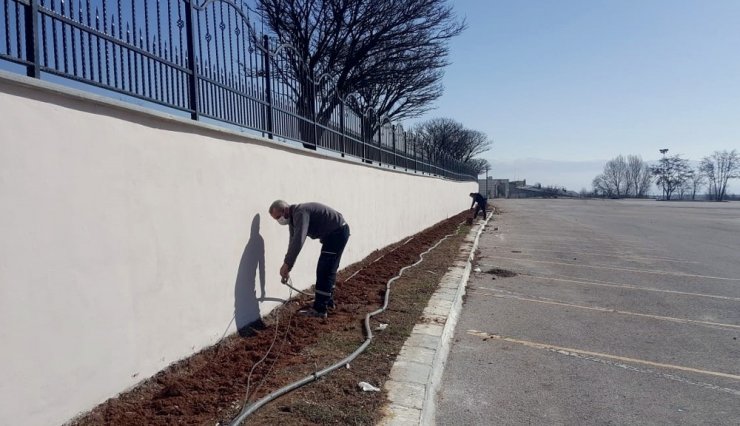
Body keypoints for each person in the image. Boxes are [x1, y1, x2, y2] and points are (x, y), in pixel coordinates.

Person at [269, 200, 350, 318]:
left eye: (278, 217)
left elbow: (299, 240)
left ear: (285, 210)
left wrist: (287, 264)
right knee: (327, 269)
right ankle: (327, 302)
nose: (279, 221)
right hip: (335, 234)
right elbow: (292, 242)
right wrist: (288, 265)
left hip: (336, 234)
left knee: (324, 270)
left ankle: (320, 309)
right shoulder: (293, 219)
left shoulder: (300, 213)